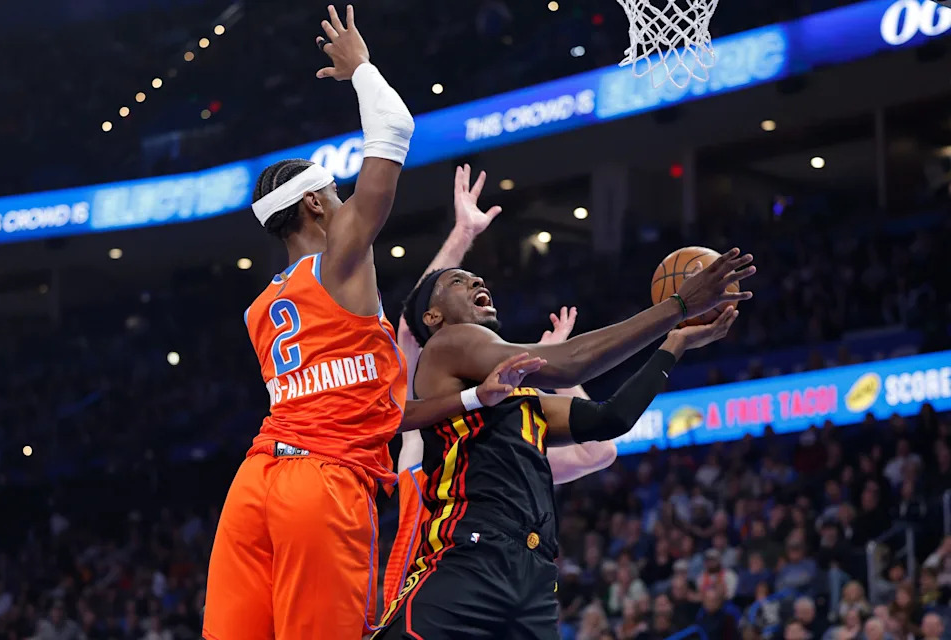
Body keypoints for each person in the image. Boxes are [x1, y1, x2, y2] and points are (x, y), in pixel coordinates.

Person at [202, 8, 542, 639]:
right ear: (313, 204)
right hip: (321, 485)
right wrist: (361, 69)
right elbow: (395, 129)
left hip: (254, 485)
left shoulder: (262, 311)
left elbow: (375, 411)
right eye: (335, 194)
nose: (344, 203)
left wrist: (470, 396)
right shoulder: (341, 260)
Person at [374, 248, 754, 638]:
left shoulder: (524, 402)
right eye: (457, 280)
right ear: (432, 317)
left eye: (476, 277)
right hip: (468, 557)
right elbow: (571, 361)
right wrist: (678, 305)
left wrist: (675, 346)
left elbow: (612, 418)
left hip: (533, 578)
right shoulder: (447, 344)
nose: (476, 281)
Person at [381, 165, 618, 607]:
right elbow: (412, 328)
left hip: (504, 589)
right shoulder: (429, 419)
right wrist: (463, 233)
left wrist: (553, 373)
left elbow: (598, 451)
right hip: (433, 590)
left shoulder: (512, 434)